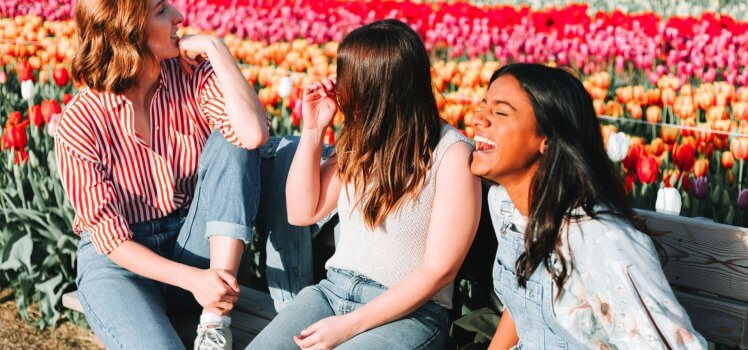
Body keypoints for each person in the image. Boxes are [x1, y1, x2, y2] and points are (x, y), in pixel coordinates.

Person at [247, 19, 481, 349]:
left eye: (348, 79)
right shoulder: (362, 142)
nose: (340, 88)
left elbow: (438, 271)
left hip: (409, 314)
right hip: (330, 294)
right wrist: (313, 130)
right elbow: (302, 212)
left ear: (378, 88)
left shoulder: (452, 154)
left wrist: (348, 327)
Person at [55, 0, 269, 349]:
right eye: (160, 11)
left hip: (194, 246)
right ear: (127, 33)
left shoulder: (192, 76)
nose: (179, 17)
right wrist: (195, 280)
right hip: (122, 267)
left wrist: (217, 50)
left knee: (232, 142)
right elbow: (112, 241)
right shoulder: (81, 122)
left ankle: (215, 324)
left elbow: (252, 135)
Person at [469, 63, 707, 349]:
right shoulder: (504, 205)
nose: (477, 119)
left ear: (547, 139)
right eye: (483, 106)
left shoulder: (600, 239)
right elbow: (524, 308)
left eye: (500, 112)